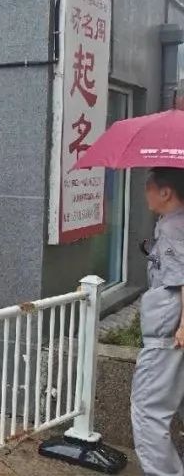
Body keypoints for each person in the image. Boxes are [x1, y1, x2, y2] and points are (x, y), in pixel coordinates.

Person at [131, 167, 184, 476]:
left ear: (165, 192)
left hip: (167, 336)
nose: (145, 193)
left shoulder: (175, 227)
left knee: (148, 410)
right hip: (171, 332)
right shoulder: (170, 224)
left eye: (148, 187)